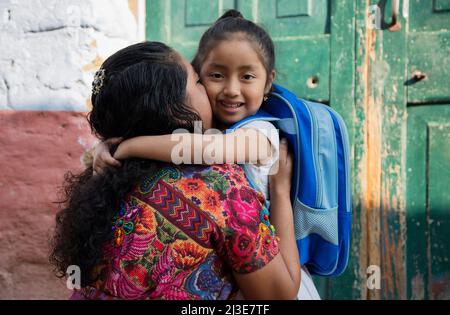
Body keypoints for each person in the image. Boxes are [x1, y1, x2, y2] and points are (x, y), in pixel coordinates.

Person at [93, 10, 320, 300]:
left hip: (278, 268)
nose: (231, 90)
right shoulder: (209, 136)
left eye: (247, 76)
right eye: (212, 77)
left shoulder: (260, 133)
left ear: (267, 83)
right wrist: (103, 147)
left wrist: (128, 145)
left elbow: (205, 149)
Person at [49, 41, 300, 300]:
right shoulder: (220, 190)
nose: (216, 91)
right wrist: (281, 191)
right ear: (176, 112)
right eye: (198, 82)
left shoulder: (104, 173)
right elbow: (279, 295)